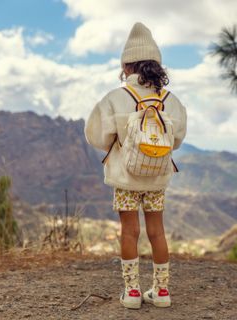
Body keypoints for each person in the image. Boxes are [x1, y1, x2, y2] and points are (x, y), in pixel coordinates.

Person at [84, 22, 187, 309]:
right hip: (157, 179)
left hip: (125, 177)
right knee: (157, 231)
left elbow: (95, 135)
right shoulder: (172, 102)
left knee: (129, 231)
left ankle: (131, 293)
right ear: (155, 66)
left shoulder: (115, 98)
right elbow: (176, 140)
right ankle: (162, 292)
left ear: (126, 66)